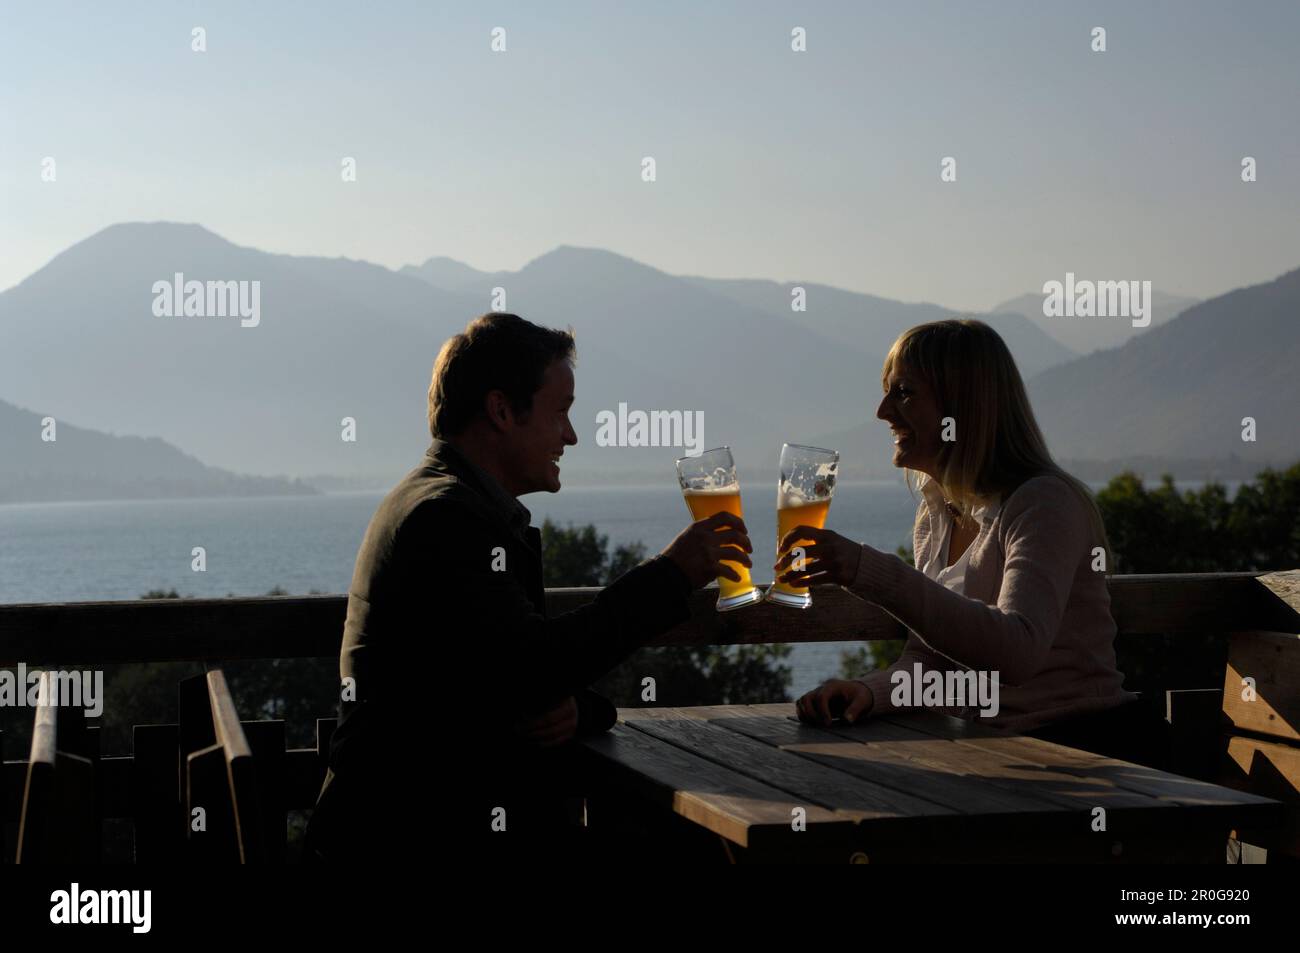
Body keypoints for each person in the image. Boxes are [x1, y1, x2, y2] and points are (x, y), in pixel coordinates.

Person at [304, 312, 752, 862]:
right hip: (412, 839)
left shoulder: (442, 504)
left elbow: (508, 676)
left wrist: (580, 709)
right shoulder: (447, 519)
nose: (571, 434)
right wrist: (674, 574)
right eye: (560, 411)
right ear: (500, 411)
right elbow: (532, 668)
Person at [784, 319, 1169, 769]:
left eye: (904, 392)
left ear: (961, 408)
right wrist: (872, 692)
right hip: (996, 751)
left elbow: (1017, 651)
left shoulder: (1043, 503)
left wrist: (865, 570)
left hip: (1083, 750)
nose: (883, 411)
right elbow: (932, 663)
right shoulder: (936, 512)